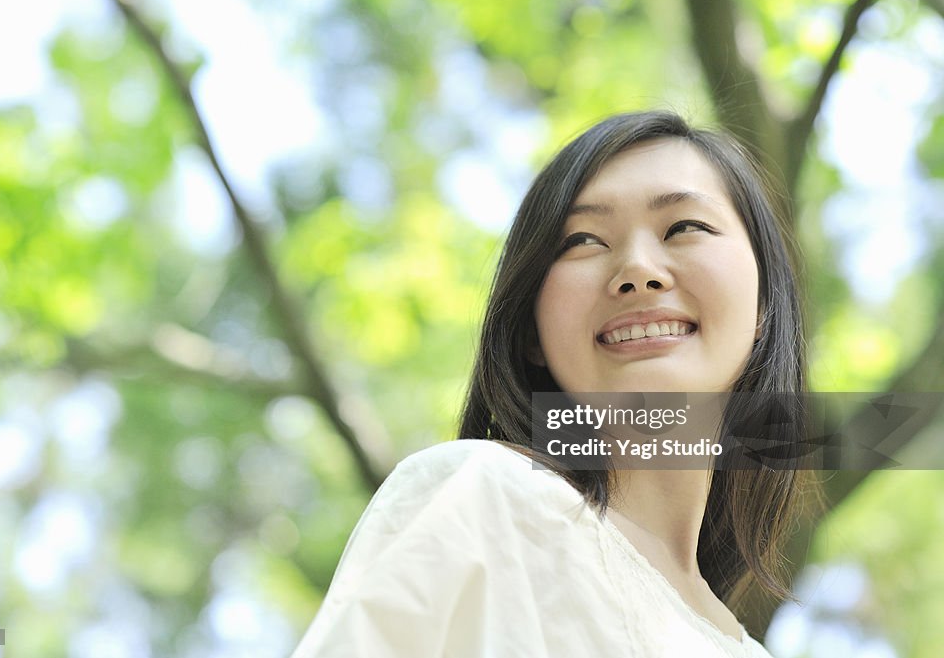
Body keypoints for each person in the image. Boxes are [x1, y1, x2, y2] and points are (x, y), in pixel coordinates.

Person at [290, 110, 810, 657]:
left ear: (763, 305)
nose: (637, 269)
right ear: (531, 332)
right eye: (583, 240)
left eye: (684, 227)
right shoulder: (483, 500)